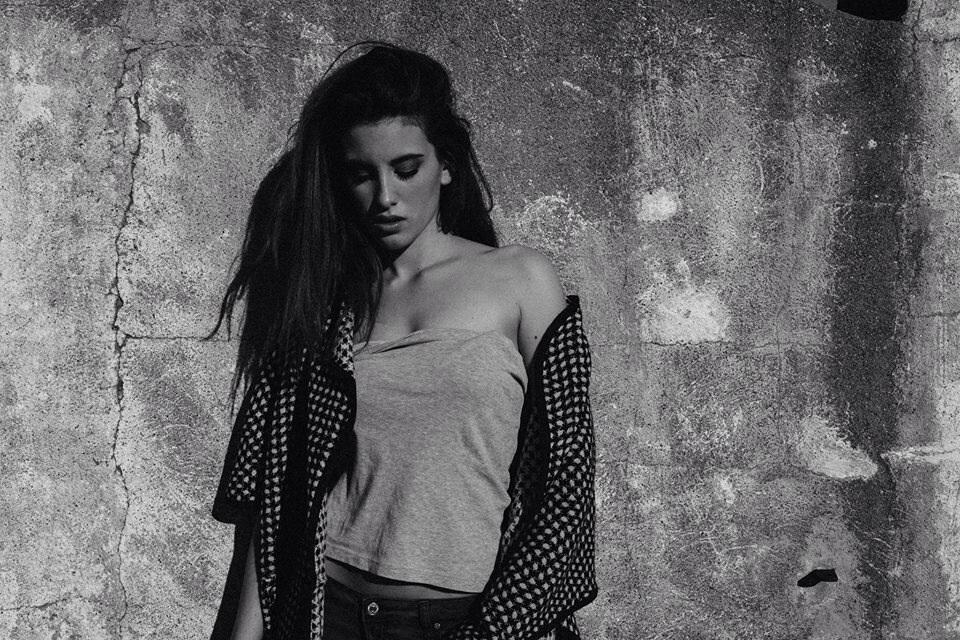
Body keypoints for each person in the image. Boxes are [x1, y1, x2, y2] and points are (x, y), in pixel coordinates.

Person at [207, 43, 596, 640]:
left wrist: (497, 631)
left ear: (446, 165)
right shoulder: (326, 303)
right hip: (327, 614)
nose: (386, 196)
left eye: (407, 168)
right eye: (362, 174)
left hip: (466, 623)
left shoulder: (521, 279)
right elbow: (277, 494)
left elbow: (566, 477)